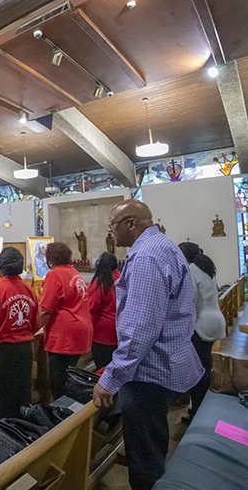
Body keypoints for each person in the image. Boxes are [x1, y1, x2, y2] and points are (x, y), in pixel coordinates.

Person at [93, 200, 202, 490]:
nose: (110, 233)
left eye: (112, 226)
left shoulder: (145, 257)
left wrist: (110, 378)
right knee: (152, 440)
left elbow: (141, 328)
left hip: (148, 372)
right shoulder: (162, 247)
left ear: (131, 223)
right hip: (164, 363)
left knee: (143, 457)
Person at [0, 247, 38, 418]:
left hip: (1, 354)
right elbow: (35, 324)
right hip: (24, 351)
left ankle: (1, 439)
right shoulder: (30, 291)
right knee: (21, 398)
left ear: (0, 268)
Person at [178, 242, 226, 423]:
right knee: (204, 367)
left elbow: (190, 301)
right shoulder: (205, 268)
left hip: (202, 324)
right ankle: (199, 410)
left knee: (198, 371)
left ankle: (197, 413)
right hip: (214, 321)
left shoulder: (191, 269)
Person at [38, 241, 92, 399]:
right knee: (69, 377)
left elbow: (45, 310)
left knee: (59, 382)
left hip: (64, 337)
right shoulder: (74, 273)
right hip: (80, 331)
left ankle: (61, 415)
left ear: (50, 259)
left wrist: (28, 331)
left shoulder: (55, 274)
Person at [87, 252, 121, 369]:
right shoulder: (121, 278)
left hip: (102, 334)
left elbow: (92, 306)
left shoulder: (101, 280)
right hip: (119, 330)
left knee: (101, 369)